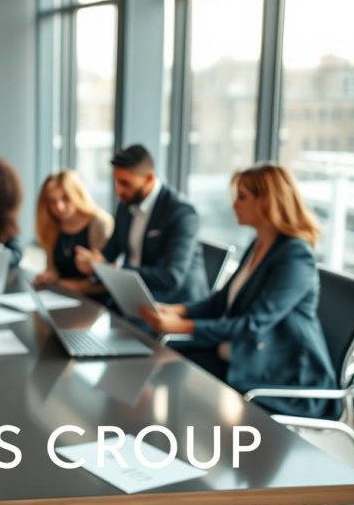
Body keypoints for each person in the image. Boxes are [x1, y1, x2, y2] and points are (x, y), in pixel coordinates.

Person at [138, 164, 338, 419]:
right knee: (160, 368)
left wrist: (183, 326)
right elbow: (223, 301)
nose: (234, 205)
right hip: (241, 354)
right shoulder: (260, 244)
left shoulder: (295, 257)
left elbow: (252, 324)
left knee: (173, 377)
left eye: (242, 197)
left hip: (282, 376)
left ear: (268, 202)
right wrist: (177, 310)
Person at [74, 144, 208, 305]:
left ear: (149, 178)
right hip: (135, 296)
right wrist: (94, 263)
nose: (118, 190)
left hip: (172, 303)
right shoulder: (126, 204)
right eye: (116, 182)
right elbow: (110, 252)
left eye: (125, 183)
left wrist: (116, 269)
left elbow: (171, 277)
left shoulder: (181, 214)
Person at [33, 169, 113, 295]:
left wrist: (78, 286)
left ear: (77, 194)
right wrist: (49, 276)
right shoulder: (52, 225)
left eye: (66, 198)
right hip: (62, 296)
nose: (59, 207)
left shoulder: (99, 223)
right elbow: (53, 269)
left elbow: (110, 276)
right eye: (52, 202)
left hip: (95, 302)